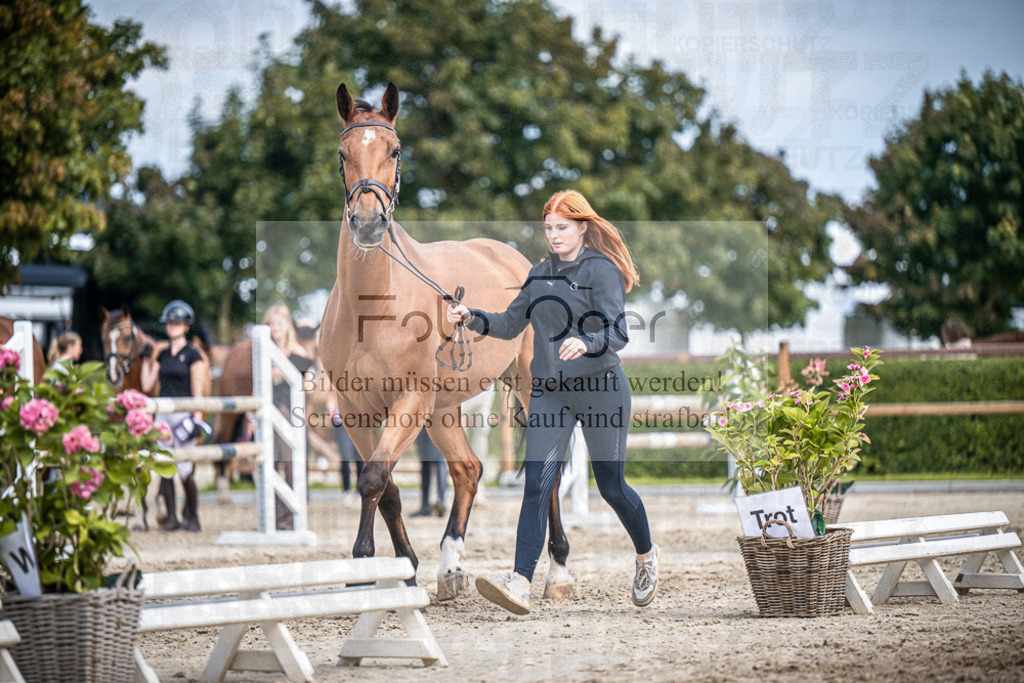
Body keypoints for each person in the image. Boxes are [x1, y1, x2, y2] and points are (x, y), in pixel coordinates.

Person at [446, 189, 659, 614]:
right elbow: (509, 323)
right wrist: (471, 316)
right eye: (548, 228)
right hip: (550, 393)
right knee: (537, 484)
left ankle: (646, 556)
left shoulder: (603, 271)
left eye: (562, 227)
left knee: (612, 488)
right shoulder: (540, 273)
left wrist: (586, 341)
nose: (554, 235)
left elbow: (618, 332)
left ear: (582, 227)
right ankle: (520, 580)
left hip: (601, 389)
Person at [141, 300, 209, 532]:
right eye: (169, 322)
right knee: (164, 465)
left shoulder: (194, 355)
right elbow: (147, 383)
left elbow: (198, 391)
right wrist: (145, 360)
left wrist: (197, 420)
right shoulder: (162, 355)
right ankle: (171, 517)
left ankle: (193, 516)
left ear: (186, 326)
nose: (172, 325)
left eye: (177, 322)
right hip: (163, 414)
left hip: (183, 416)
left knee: (185, 469)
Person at [263, 304, 315, 530]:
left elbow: (310, 386)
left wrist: (283, 372)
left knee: (292, 465)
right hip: (267, 414)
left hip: (290, 415)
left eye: (279, 323)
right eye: (271, 324)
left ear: (288, 326)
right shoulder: (263, 352)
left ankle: (291, 516)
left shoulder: (299, 353)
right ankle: (274, 517)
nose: (275, 328)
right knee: (270, 465)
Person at [411, 429, 448, 517]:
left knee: (439, 460)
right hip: (420, 422)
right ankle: (425, 506)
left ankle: (440, 502)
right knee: (425, 462)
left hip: (437, 421)